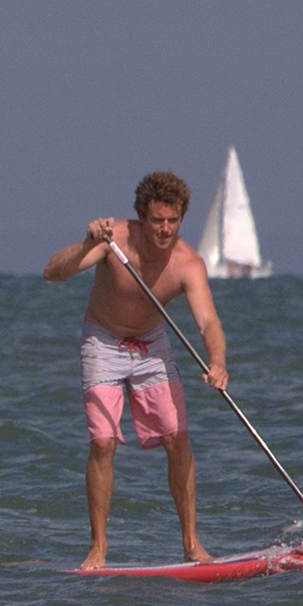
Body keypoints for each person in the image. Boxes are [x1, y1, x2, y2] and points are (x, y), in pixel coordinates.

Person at [43, 171, 228, 570]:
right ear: (142, 217)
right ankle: (98, 548)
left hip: (151, 344)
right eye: (157, 220)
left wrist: (217, 362)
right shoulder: (114, 241)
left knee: (177, 437)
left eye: (172, 221)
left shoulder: (188, 263)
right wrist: (87, 242)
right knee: (103, 442)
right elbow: (53, 273)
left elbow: (208, 322)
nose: (164, 230)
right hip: (103, 341)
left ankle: (192, 544)